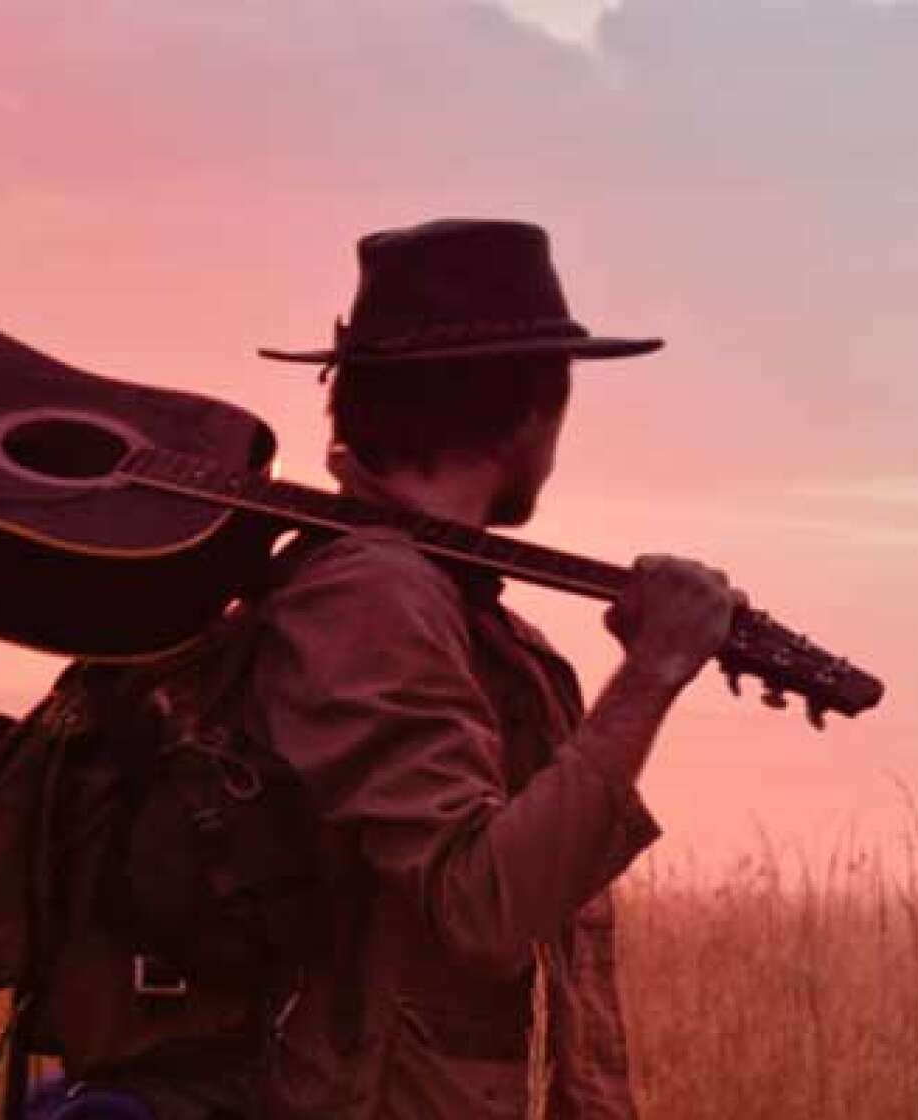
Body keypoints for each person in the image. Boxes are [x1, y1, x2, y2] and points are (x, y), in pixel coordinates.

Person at [241, 218, 745, 1119]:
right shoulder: (370, 596)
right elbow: (482, 908)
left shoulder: (445, 601)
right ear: (525, 414)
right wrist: (652, 676)